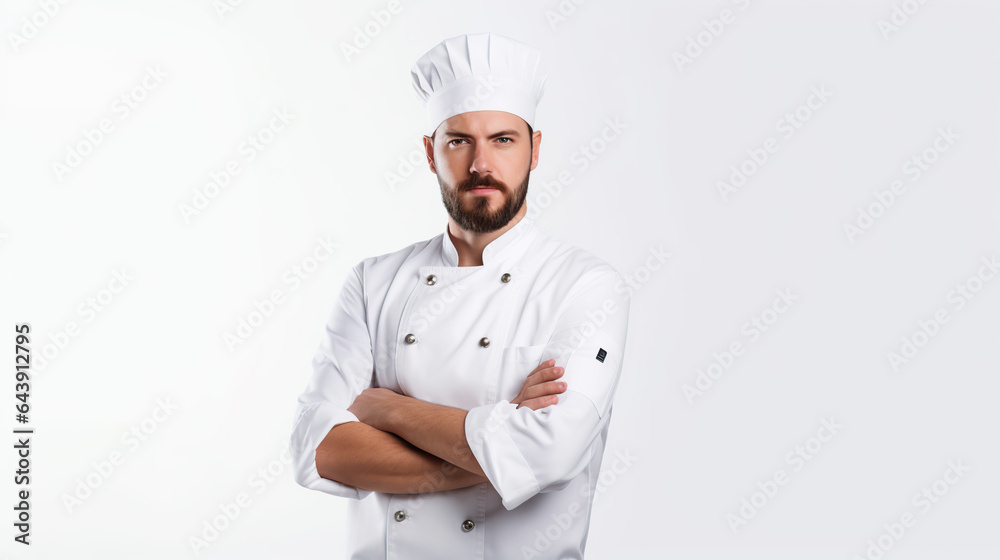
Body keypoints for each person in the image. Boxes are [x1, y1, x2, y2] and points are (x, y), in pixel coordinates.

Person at [289, 32, 631, 559]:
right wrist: (499, 446)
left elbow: (553, 451)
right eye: (458, 141)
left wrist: (388, 410)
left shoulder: (586, 285)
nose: (480, 164)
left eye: (502, 139)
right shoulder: (372, 283)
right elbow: (317, 448)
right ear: (430, 153)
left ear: (535, 149)